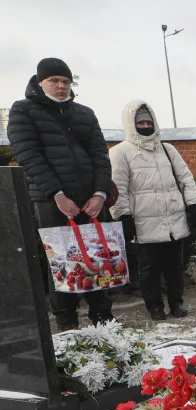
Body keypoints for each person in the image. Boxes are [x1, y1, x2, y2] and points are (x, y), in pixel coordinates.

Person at [7, 57, 115, 330]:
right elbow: (28, 155)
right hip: (52, 201)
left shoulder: (84, 113)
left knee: (97, 257)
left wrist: (100, 193)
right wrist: (56, 193)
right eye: (54, 80)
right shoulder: (23, 111)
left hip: (91, 201)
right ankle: (67, 326)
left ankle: (104, 322)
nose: (61, 86)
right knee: (62, 263)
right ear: (40, 82)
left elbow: (100, 155)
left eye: (66, 81)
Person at [109, 100, 196, 321]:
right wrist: (123, 215)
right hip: (144, 222)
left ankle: (176, 303)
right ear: (131, 125)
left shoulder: (168, 150)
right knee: (149, 269)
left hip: (173, 220)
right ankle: (155, 307)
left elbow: (185, 179)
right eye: (139, 122)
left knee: (174, 267)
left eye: (147, 121)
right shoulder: (120, 152)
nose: (144, 126)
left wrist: (194, 204)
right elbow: (117, 188)